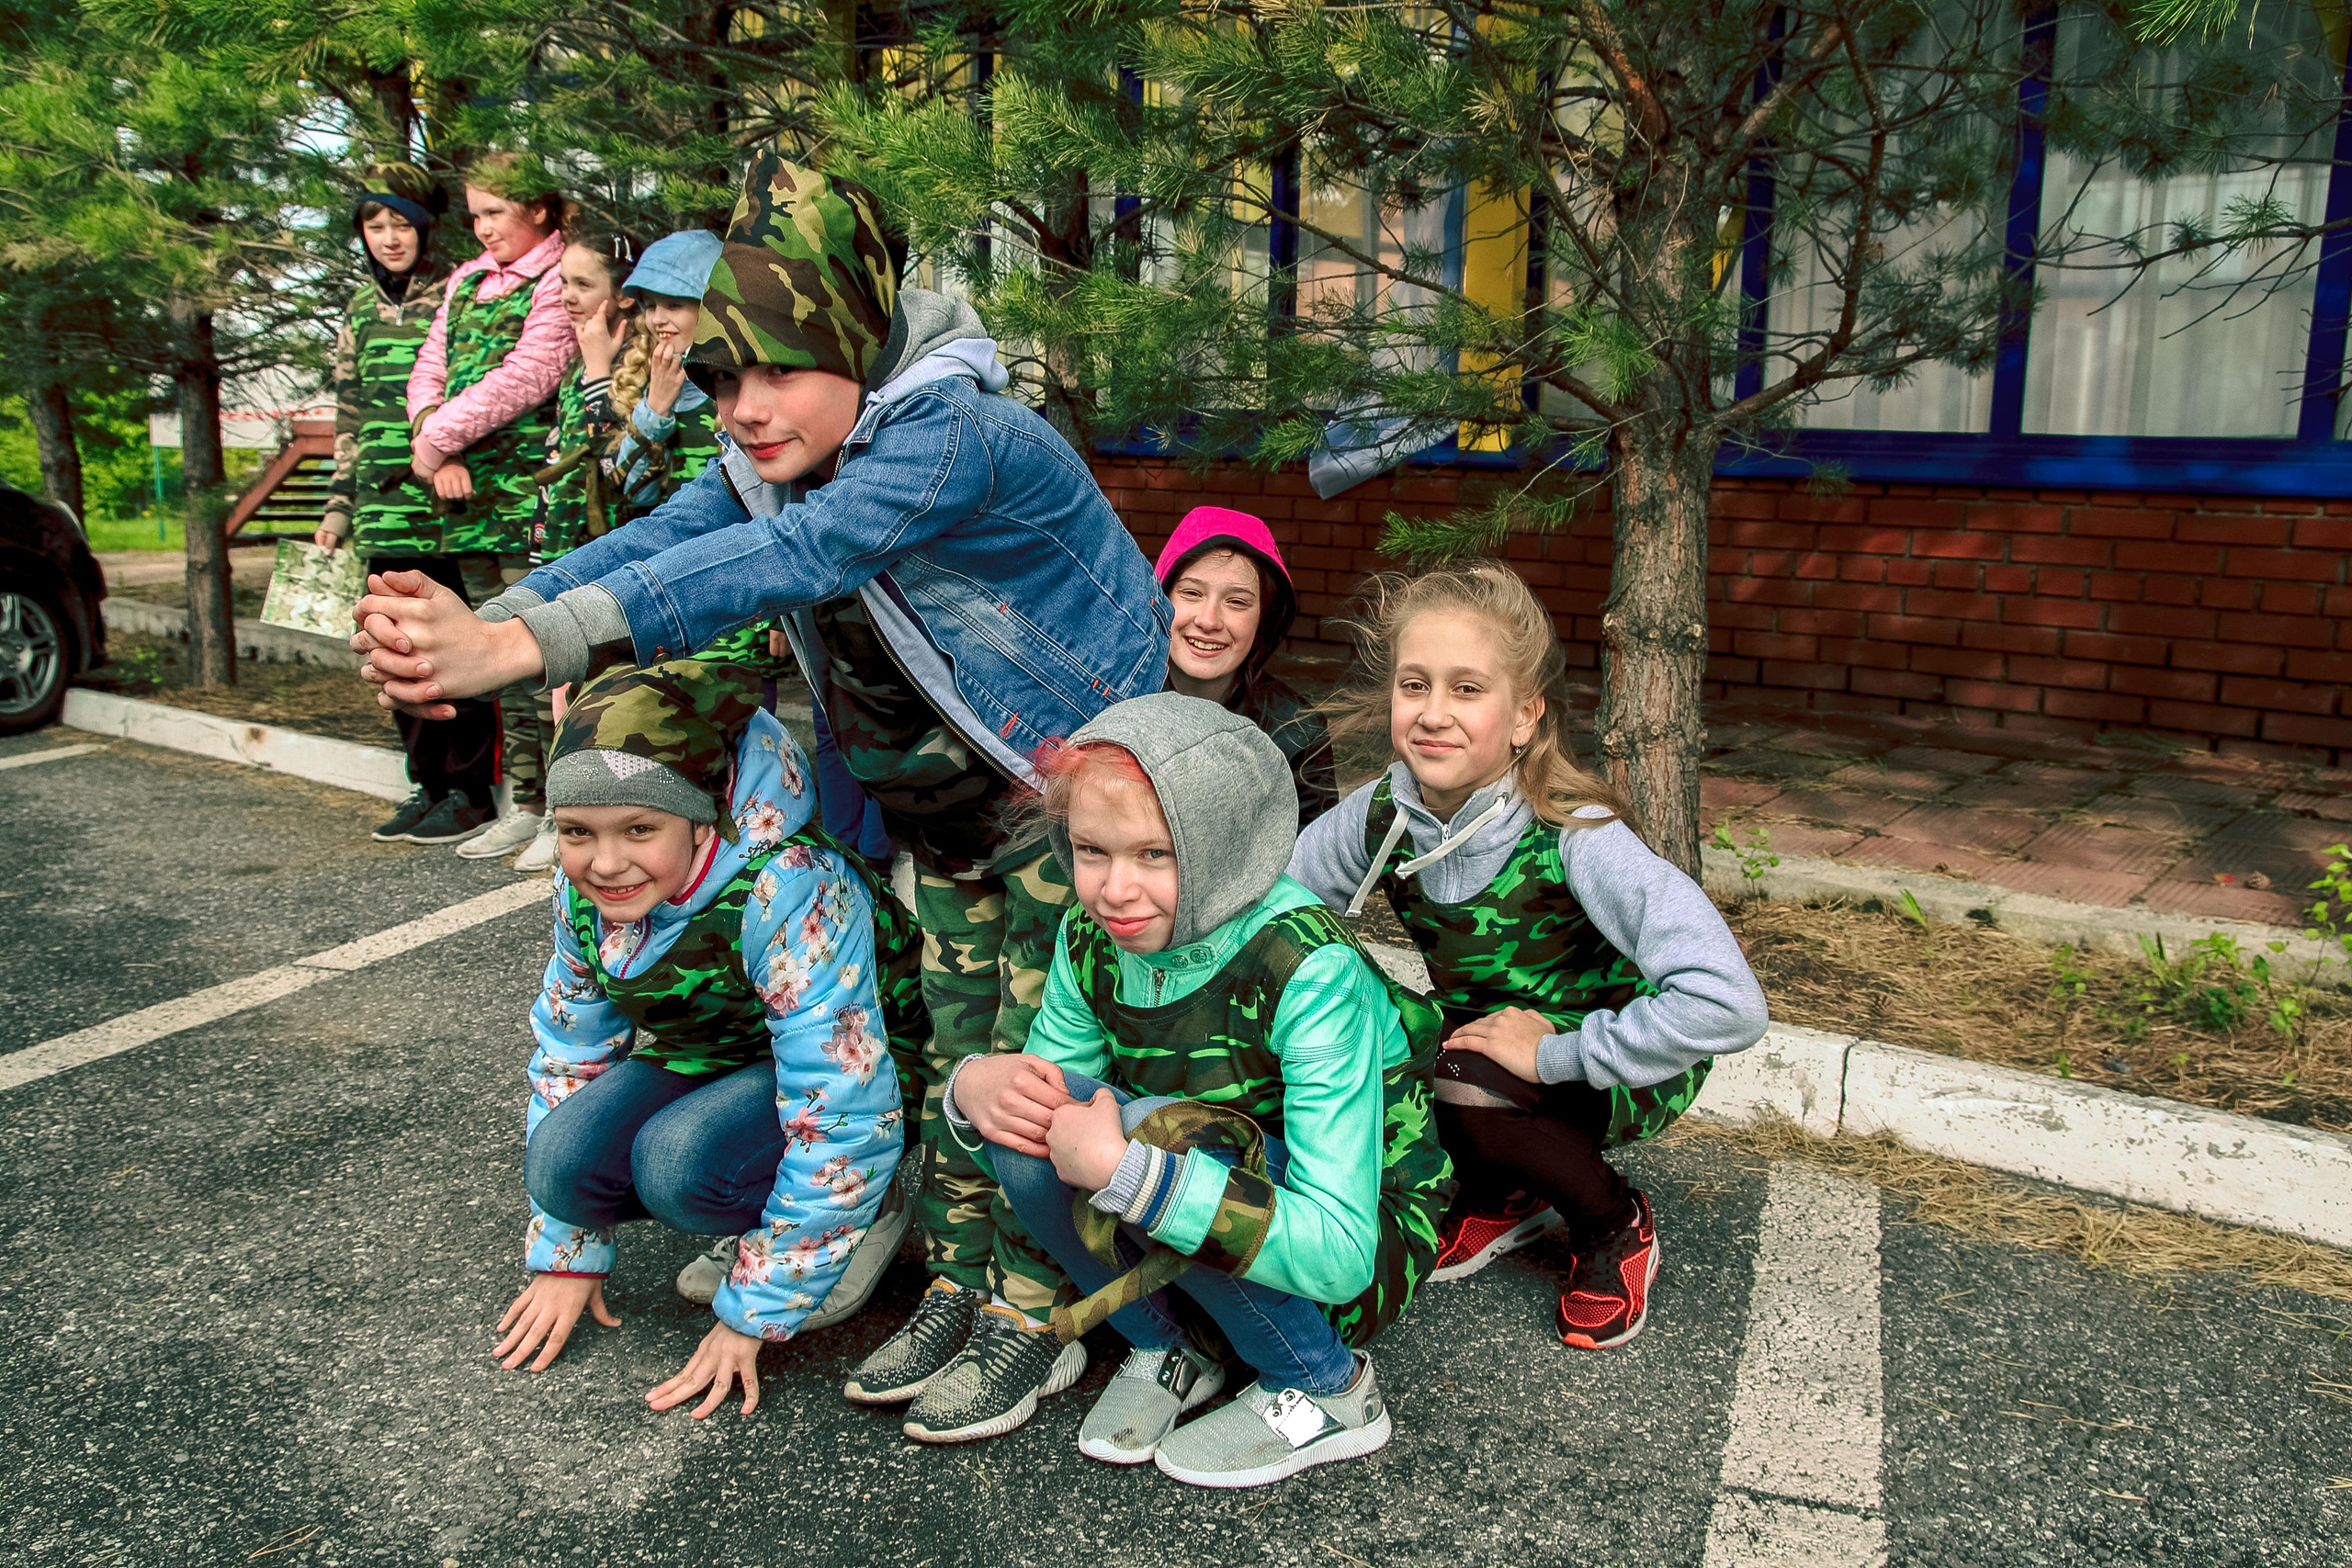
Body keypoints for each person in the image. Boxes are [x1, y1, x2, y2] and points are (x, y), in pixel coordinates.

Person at [352, 148, 1170, 1444]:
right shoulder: (787, 445)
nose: (743, 406)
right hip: (955, 818)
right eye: (724, 375)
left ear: (854, 345)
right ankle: (962, 1279)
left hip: (1074, 809)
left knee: (1041, 1076)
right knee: (964, 1065)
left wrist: (519, 653)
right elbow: (670, 534)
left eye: (780, 370)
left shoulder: (955, 430)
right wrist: (493, 613)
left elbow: (797, 554)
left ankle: (1037, 1312)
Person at [949, 693, 1451, 1483]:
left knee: (1151, 1133)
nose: (1115, 889)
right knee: (1033, 1121)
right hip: (1200, 1191)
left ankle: (1327, 1385)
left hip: (1353, 1248)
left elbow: (1344, 1254)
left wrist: (1128, 1173)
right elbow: (1052, 1094)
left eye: (1156, 854)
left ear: (1221, 847)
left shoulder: (1307, 967)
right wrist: (975, 1086)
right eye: (1091, 850)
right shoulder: (1092, 935)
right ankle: (1172, 1347)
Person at [1288, 563, 1769, 1349]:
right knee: (1388, 1035)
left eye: (1467, 689)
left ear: (1524, 716)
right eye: (1416, 684)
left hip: (1616, 1057)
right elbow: (1281, 913)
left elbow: (1731, 1002)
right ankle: (1502, 1186)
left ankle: (1612, 1221)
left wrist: (1558, 1055)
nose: (1434, 714)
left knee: (1465, 1078)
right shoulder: (1385, 811)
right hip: (1490, 1046)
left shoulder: (1576, 834)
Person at [499, 660, 917, 1415]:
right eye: (576, 832)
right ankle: (762, 1198)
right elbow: (569, 1049)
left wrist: (754, 1310)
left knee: (679, 1162)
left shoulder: (790, 886)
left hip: (869, 1075)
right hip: (717, 1049)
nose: (606, 861)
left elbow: (844, 1102)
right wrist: (568, 1250)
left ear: (701, 821)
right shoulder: (582, 890)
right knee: (560, 1155)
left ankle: (870, 1209)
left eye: (639, 828)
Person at [404, 151, 580, 855]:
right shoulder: (468, 280)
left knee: (540, 656)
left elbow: (529, 375)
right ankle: (525, 799)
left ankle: (558, 810)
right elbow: (430, 363)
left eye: (494, 213)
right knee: (490, 654)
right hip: (465, 497)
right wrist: (430, 440)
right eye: (474, 213)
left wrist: (434, 441)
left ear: (537, 209)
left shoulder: (557, 275)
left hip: (527, 499)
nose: (480, 229)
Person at [314, 163, 492, 847]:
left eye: (402, 224)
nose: (389, 238)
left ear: (425, 229)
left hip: (445, 507)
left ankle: (473, 789)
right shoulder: (359, 309)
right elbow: (349, 415)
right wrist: (338, 506)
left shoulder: (456, 295)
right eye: (375, 224)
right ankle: (430, 784)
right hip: (378, 510)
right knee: (397, 652)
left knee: (454, 648)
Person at [464, 224, 638, 871]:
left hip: (602, 549)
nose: (564, 294)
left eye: (581, 283)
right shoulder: (572, 352)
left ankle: (564, 814)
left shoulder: (629, 356)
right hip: (555, 536)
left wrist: (598, 369)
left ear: (622, 293)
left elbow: (612, 455)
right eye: (561, 280)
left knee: (563, 685)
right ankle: (529, 805)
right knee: (519, 672)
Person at [1154, 506, 1338, 828]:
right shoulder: (1112, 700)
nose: (1208, 620)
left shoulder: (1297, 734)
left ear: (1264, 621)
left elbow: (1310, 862)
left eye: (1236, 602)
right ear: (1159, 598)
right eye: (1191, 593)